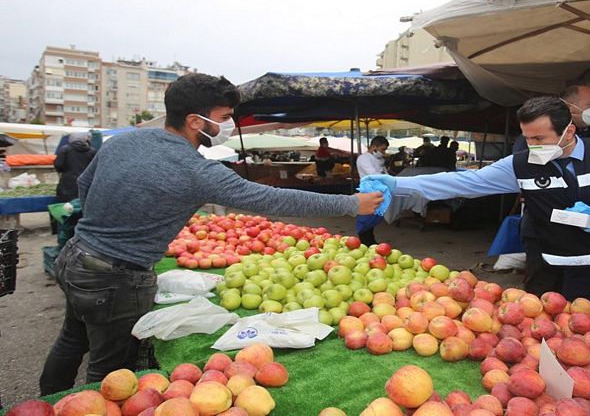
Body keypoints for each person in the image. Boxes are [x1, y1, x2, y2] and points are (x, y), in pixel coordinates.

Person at [39, 74, 383, 395]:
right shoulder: (196, 169)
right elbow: (268, 198)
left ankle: (47, 399)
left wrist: (112, 221)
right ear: (195, 121)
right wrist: (351, 203)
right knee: (111, 374)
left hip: (76, 255)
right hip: (116, 277)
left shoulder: (125, 142)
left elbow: (85, 186)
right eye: (225, 116)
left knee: (72, 341)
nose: (229, 125)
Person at [366, 96, 590, 331]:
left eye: (540, 139)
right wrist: (399, 183)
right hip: (577, 275)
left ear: (569, 132)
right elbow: (465, 182)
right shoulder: (521, 164)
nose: (532, 145)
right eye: (527, 138)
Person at [510, 85, 590, 292]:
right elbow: (520, 177)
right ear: (569, 107)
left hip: (585, 235)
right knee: (544, 288)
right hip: (544, 232)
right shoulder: (534, 140)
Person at [355, 135, 389, 246]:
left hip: (378, 192)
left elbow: (385, 174)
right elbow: (374, 175)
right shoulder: (364, 158)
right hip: (367, 192)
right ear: (374, 147)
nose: (383, 152)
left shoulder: (380, 159)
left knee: (373, 219)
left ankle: (371, 242)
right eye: (382, 149)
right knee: (365, 219)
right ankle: (365, 243)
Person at [54, 133, 97, 203]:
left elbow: (58, 165)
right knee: (82, 206)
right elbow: (95, 168)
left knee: (66, 207)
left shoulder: (65, 149)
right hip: (86, 183)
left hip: (67, 183)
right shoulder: (92, 151)